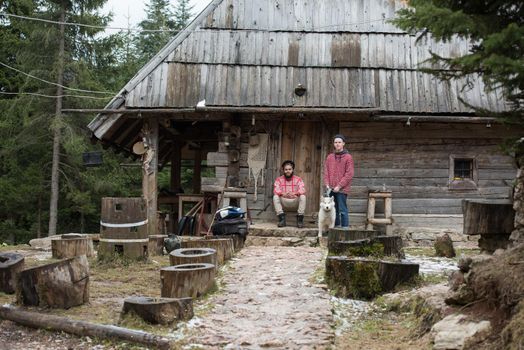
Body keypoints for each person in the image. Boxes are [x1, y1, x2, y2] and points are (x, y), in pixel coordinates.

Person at [323, 134, 354, 228]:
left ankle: (345, 229)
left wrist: (339, 186)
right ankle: (335, 228)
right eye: (335, 142)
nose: (337, 144)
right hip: (331, 189)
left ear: (343, 143)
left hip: (342, 189)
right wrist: (327, 184)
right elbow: (326, 172)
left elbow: (349, 174)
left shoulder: (348, 157)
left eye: (339, 142)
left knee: (342, 209)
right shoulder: (330, 157)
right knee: (333, 209)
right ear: (333, 144)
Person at [273, 160, 307, 228]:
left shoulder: (298, 179)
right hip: (284, 202)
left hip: (294, 202)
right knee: (275, 197)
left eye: (289, 169)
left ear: (292, 170)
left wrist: (295, 193)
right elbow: (276, 189)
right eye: (286, 169)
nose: (288, 171)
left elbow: (303, 189)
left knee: (303, 196)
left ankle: (300, 220)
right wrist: (283, 194)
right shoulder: (278, 179)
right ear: (283, 170)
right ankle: (282, 219)